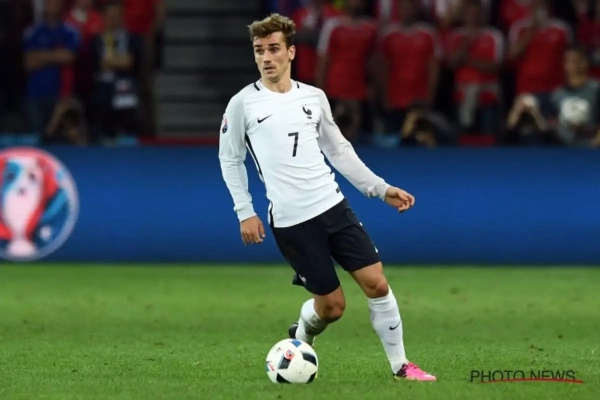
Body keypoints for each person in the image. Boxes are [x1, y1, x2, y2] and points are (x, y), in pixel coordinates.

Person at [218, 13, 436, 381]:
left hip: (333, 206)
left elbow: (339, 151)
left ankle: (401, 366)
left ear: (291, 52)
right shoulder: (243, 104)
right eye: (259, 51)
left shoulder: (313, 97)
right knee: (333, 308)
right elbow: (229, 158)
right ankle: (301, 336)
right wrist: (245, 211)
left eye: (274, 49)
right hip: (292, 221)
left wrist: (380, 189)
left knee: (377, 283)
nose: (266, 57)